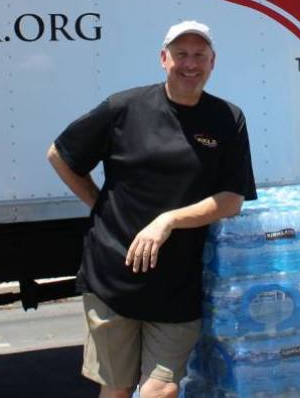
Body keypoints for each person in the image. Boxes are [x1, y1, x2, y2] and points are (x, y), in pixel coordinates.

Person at [47, 20, 257, 398]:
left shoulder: (227, 119)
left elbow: (231, 198)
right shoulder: (124, 108)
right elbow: (61, 155)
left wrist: (169, 220)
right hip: (113, 274)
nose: (190, 64)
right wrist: (100, 205)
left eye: (199, 55)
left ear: (213, 62)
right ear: (164, 59)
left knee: (161, 389)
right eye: (181, 55)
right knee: (117, 389)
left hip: (179, 281)